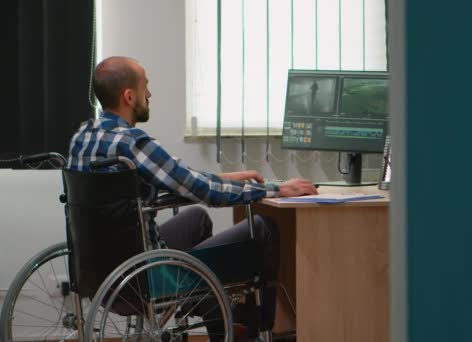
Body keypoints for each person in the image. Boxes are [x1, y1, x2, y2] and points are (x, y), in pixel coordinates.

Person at [67, 56, 318, 341]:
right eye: (145, 86)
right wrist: (275, 190)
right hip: (145, 274)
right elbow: (201, 190)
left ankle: (209, 311)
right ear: (128, 95)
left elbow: (179, 179)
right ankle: (255, 329)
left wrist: (229, 178)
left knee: (196, 219)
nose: (149, 94)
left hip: (98, 270)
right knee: (263, 228)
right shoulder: (131, 142)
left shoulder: (83, 137)